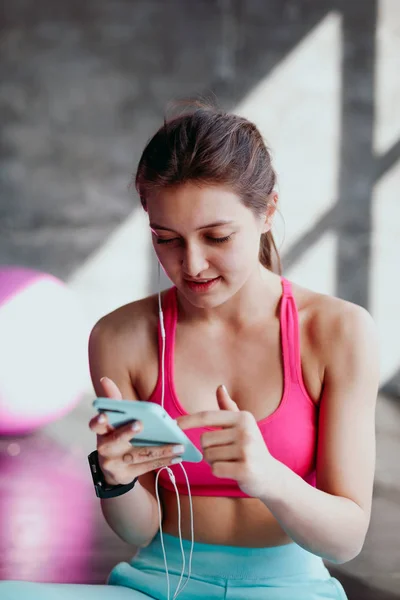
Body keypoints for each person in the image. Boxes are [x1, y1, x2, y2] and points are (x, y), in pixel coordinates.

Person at [0, 103, 379, 600]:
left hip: (289, 589)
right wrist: (114, 479)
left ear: (267, 212)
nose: (192, 264)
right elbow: (140, 529)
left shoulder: (338, 331)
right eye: (167, 239)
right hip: (158, 585)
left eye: (217, 237)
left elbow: (346, 540)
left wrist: (268, 477)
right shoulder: (120, 337)